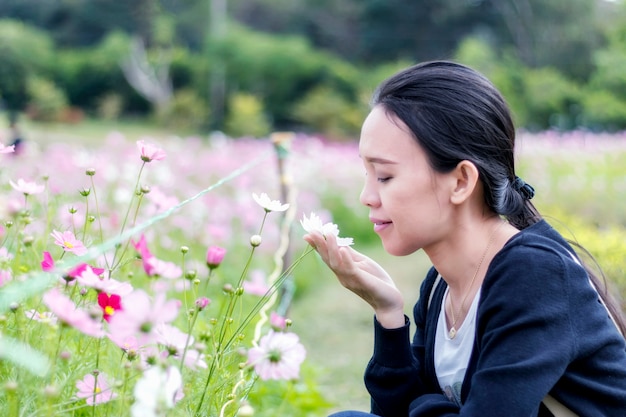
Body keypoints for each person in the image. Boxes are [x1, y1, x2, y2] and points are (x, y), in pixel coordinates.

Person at [303, 61, 626, 417]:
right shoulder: (441, 284)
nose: (367, 196)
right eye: (367, 174)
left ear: (460, 181)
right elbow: (391, 413)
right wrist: (388, 314)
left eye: (384, 176)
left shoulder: (533, 273)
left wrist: (424, 405)